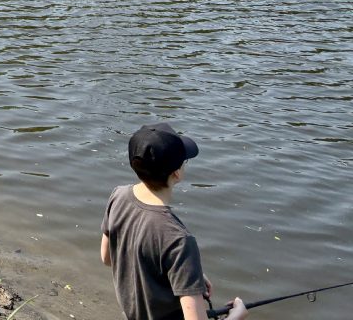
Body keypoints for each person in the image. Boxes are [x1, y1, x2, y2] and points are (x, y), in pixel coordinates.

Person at [101, 124, 249, 320]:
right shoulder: (180, 240)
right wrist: (237, 315)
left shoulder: (118, 196)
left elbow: (107, 257)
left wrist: (189, 276)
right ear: (176, 173)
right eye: (184, 161)